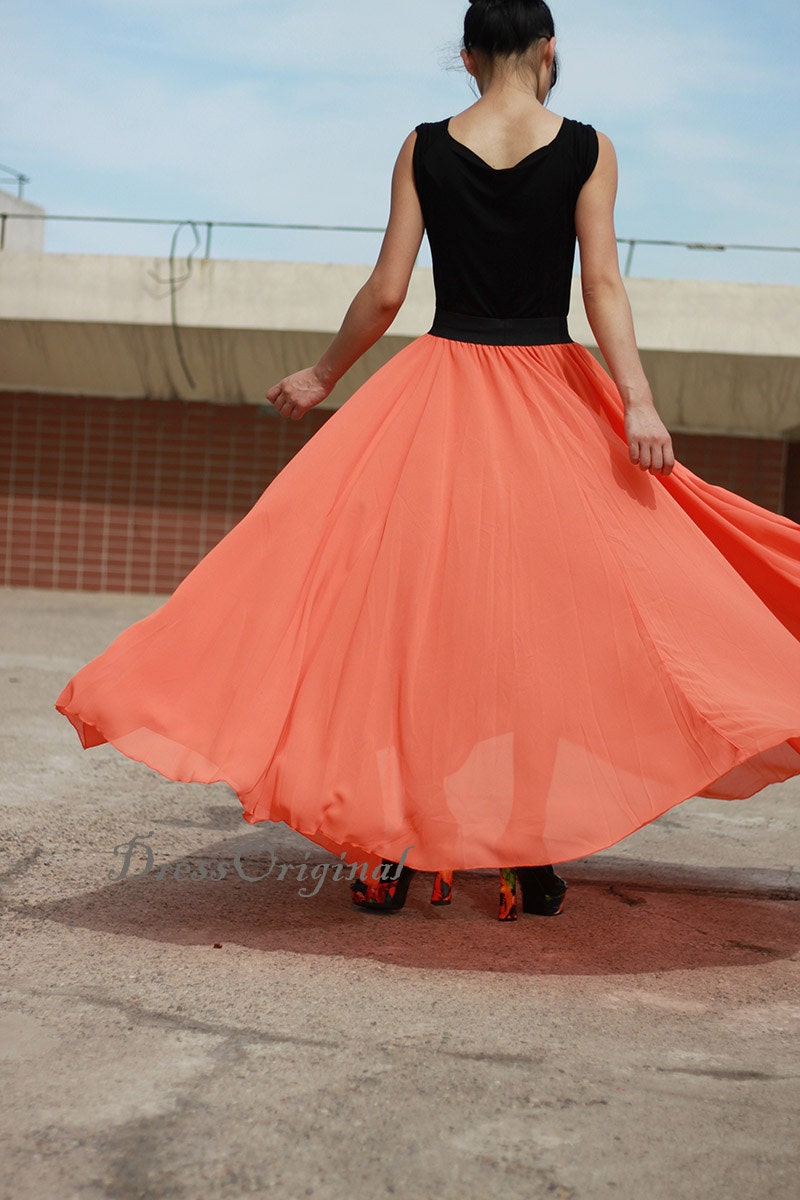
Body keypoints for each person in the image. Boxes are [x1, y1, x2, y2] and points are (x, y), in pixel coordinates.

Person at [56, 0, 800, 925]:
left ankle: (400, 846)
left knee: (413, 629)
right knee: (539, 629)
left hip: (438, 397)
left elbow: (387, 291)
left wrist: (322, 375)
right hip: (553, 399)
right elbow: (602, 282)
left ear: (466, 56)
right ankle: (528, 855)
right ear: (550, 50)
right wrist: (637, 402)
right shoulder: (590, 148)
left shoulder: (421, 146)